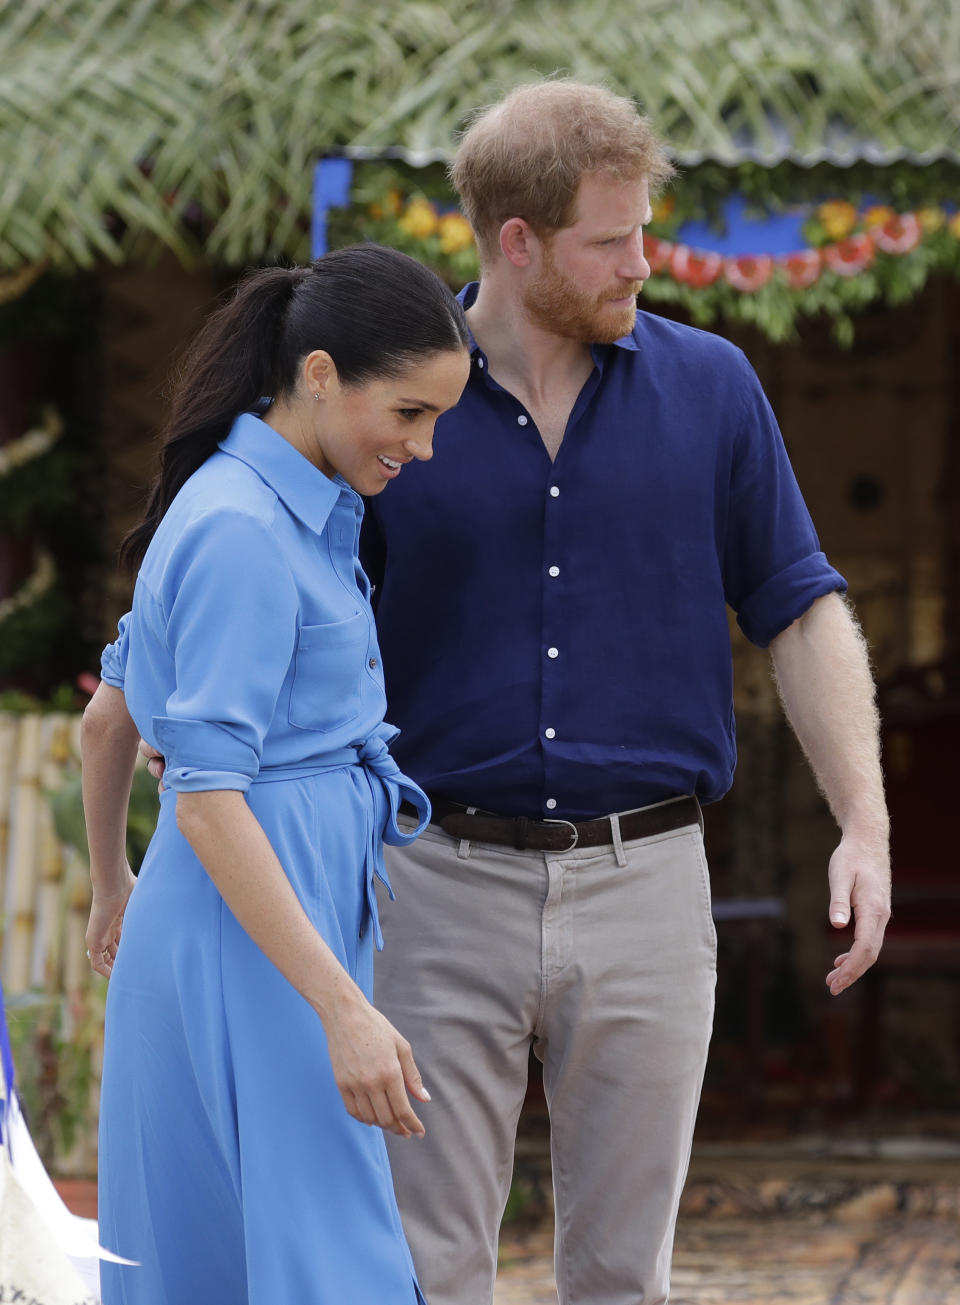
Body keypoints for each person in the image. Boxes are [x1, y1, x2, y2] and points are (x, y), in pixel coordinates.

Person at [355, 81, 892, 1305]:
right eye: (613, 240)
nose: (643, 264)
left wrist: (863, 822)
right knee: (422, 1273)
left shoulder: (713, 389)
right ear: (519, 242)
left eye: (645, 231)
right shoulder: (388, 407)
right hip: (431, 884)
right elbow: (292, 599)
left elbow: (801, 608)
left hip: (647, 884)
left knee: (622, 1280)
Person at [81, 244, 470, 1305]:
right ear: (319, 375)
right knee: (321, 1264)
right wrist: (342, 1008)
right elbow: (204, 800)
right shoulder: (244, 530)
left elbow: (108, 720)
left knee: (237, 1257)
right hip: (253, 943)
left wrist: (118, 882)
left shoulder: (272, 506)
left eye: (437, 419)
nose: (424, 447)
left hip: (249, 924)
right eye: (408, 413)